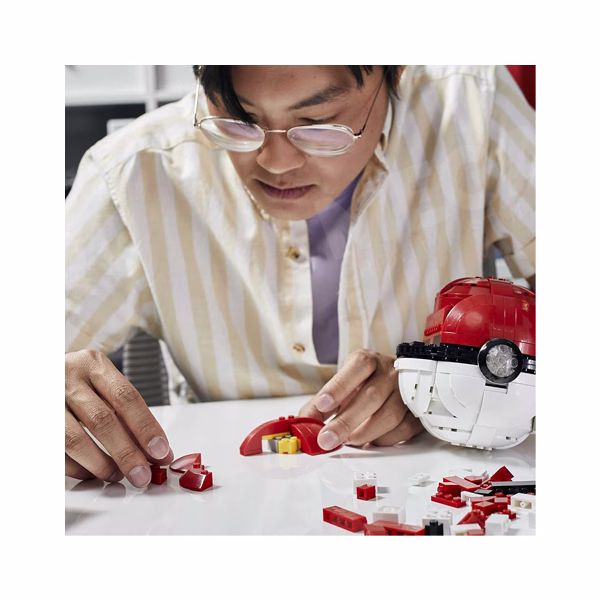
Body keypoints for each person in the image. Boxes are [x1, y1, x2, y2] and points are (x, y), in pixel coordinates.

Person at [65, 65, 535, 488]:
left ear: (396, 72)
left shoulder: (475, 103)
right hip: (230, 500)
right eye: (239, 120)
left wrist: (440, 379)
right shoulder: (129, 172)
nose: (276, 162)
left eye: (318, 124)